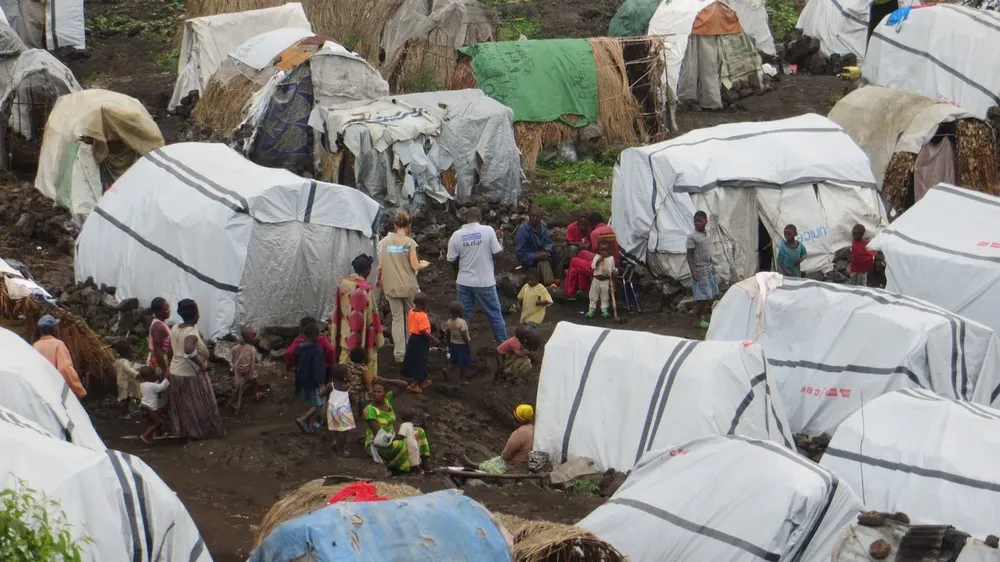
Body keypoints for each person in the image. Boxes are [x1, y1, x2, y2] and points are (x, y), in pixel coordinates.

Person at [446, 207, 508, 344]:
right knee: (494, 315)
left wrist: (459, 272)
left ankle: (458, 346)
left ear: (465, 219)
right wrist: (501, 240)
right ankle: (504, 347)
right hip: (484, 282)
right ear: (480, 218)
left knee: (462, 315)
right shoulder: (488, 231)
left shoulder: (456, 235)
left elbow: (451, 259)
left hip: (463, 281)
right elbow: (499, 255)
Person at [378, 210, 429, 363]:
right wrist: (423, 265)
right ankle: (412, 349)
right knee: (412, 317)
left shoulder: (385, 243)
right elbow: (414, 265)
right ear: (408, 225)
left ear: (394, 225)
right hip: (408, 286)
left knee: (397, 319)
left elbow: (380, 266)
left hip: (391, 287)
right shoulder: (409, 243)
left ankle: (399, 354)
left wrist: (378, 281)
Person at [167, 299, 222, 440]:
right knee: (197, 404)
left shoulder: (175, 328)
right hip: (190, 374)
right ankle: (199, 432)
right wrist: (201, 364)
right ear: (195, 314)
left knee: (184, 405)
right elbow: (188, 348)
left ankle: (185, 431)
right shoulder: (191, 332)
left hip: (175, 371)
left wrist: (168, 367)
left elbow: (170, 350)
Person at [332, 254, 385, 377]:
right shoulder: (365, 288)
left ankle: (341, 380)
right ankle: (367, 381)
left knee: (345, 356)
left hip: (345, 331)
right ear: (367, 270)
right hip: (361, 332)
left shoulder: (343, 283)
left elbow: (338, 308)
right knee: (366, 357)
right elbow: (371, 314)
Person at [363, 381, 430, 474]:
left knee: (420, 431)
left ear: (385, 393)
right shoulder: (369, 409)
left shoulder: (387, 400)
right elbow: (379, 435)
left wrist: (383, 379)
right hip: (378, 442)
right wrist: (398, 437)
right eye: (374, 392)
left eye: (379, 392)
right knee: (400, 444)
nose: (376, 394)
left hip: (391, 435)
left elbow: (404, 385)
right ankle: (405, 468)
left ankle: (426, 467)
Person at [461, 404, 535, 474]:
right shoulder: (533, 428)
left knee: (492, 464)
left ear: (517, 417)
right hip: (524, 465)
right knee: (495, 460)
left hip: (513, 467)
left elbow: (506, 455)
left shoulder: (519, 433)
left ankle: (476, 467)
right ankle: (476, 465)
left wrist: (503, 457)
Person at [563, 212, 619, 299]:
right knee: (583, 253)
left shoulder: (595, 233)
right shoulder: (610, 229)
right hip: (613, 264)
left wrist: (588, 260)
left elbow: (598, 256)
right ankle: (584, 288)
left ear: (591, 224)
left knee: (574, 261)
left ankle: (570, 293)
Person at [33, 315, 86, 399]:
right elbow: (65, 368)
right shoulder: (58, 344)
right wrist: (79, 389)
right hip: (56, 391)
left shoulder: (35, 346)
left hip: (40, 391)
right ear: (54, 330)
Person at [293, 322, 328, 434]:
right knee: (320, 403)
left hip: (303, 380)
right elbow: (317, 368)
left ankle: (308, 424)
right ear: (315, 335)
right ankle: (302, 419)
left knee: (313, 402)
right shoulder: (315, 350)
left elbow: (297, 365)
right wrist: (321, 383)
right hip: (314, 381)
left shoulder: (299, 348)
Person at [686, 211, 718, 329]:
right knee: (703, 297)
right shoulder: (692, 237)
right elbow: (689, 255)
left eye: (700, 221)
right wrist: (693, 270)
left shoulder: (707, 234)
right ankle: (697, 320)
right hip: (700, 271)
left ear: (706, 222)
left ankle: (697, 311)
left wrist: (712, 262)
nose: (697, 223)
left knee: (708, 295)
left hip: (709, 268)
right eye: (695, 221)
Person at [401, 292, 439, 392]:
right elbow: (423, 330)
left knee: (413, 358)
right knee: (421, 360)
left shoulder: (411, 311)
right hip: (421, 339)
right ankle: (415, 384)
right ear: (425, 303)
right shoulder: (423, 316)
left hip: (412, 338)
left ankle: (422, 380)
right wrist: (433, 338)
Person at [514, 206, 559, 286]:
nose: (535, 218)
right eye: (532, 216)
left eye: (537, 216)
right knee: (543, 262)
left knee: (558, 250)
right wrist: (536, 256)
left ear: (541, 217)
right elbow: (521, 254)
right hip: (530, 262)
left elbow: (548, 242)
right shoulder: (523, 230)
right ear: (529, 216)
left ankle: (559, 276)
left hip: (543, 255)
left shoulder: (543, 225)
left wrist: (547, 251)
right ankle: (550, 285)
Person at [322, 364, 355, 456]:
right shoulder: (347, 385)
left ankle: (335, 443)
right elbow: (351, 397)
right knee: (342, 432)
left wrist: (321, 389)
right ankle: (341, 451)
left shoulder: (330, 385)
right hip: (344, 410)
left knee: (335, 429)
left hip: (332, 409)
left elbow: (321, 394)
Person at [229, 326, 258, 414]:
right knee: (242, 389)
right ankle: (237, 408)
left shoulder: (237, 348)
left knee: (237, 388)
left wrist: (234, 366)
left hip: (237, 370)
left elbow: (233, 357)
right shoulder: (251, 349)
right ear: (251, 338)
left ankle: (231, 402)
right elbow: (255, 360)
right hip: (246, 373)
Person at [139, 366, 170, 444]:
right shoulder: (152, 386)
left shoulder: (142, 385)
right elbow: (161, 387)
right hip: (151, 408)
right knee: (157, 423)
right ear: (150, 376)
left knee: (151, 423)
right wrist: (166, 376)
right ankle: (145, 436)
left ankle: (152, 437)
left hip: (144, 406)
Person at [444, 301, 472, 380]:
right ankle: (462, 379)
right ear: (460, 312)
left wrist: (448, 344)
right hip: (462, 345)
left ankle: (446, 370)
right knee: (463, 363)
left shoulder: (449, 322)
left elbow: (448, 334)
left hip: (453, 344)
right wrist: (468, 345)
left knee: (454, 361)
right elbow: (464, 335)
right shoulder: (461, 322)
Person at [588, 241, 615, 319]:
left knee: (605, 296)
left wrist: (615, 272)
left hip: (606, 280)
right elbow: (593, 267)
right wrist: (599, 261)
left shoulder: (611, 258)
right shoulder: (597, 257)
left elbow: (612, 269)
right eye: (601, 250)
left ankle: (604, 311)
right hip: (596, 279)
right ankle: (591, 310)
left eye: (605, 250)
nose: (603, 252)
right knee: (593, 295)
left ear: (609, 250)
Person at [112, 340, 141, 409]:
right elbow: (128, 369)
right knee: (128, 395)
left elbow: (114, 366)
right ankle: (129, 407)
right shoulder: (124, 362)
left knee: (126, 395)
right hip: (126, 382)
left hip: (122, 381)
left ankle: (125, 407)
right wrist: (137, 374)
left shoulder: (118, 361)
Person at [148, 297, 172, 375]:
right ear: (157, 311)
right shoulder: (158, 327)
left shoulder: (160, 323)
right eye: (166, 309)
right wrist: (165, 370)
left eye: (168, 308)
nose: (169, 311)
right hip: (162, 363)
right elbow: (158, 351)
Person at [347, 347, 373, 418]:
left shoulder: (348, 365)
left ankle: (348, 416)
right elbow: (366, 380)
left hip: (349, 389)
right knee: (361, 403)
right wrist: (369, 389)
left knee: (350, 404)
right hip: (359, 390)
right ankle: (361, 415)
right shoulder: (363, 368)